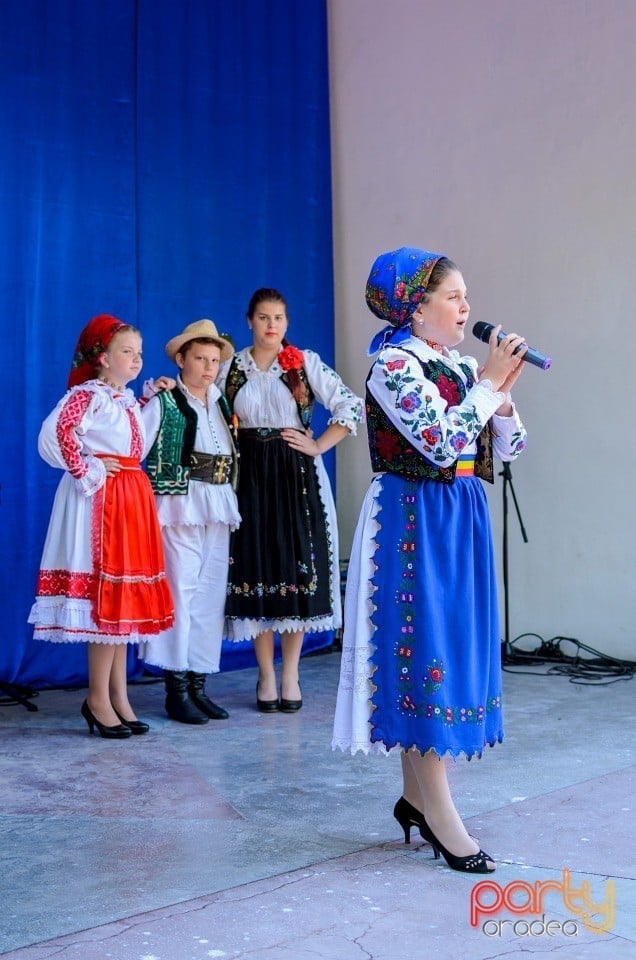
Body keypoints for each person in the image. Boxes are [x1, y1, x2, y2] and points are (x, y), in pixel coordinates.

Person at [332, 247, 528, 873]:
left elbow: (514, 447)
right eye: (453, 296)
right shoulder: (393, 365)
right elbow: (439, 442)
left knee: (451, 647)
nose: (467, 307)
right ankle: (443, 817)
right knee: (426, 655)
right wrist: (487, 387)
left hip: (458, 514)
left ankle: (417, 799)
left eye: (466, 295)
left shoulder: (460, 366)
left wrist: (501, 402)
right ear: (416, 308)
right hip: (412, 517)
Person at [28, 314, 175, 738]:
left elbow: (135, 441)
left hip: (129, 498)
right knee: (104, 602)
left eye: (139, 353)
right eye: (126, 352)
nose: (136, 359)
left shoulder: (124, 400)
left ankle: (117, 695)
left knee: (122, 603)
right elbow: (55, 435)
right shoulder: (87, 395)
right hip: (102, 502)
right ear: (102, 358)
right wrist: (89, 466)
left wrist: (149, 397)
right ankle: (97, 697)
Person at [218, 288, 363, 712]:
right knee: (257, 567)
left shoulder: (304, 364)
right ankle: (265, 675)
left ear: (287, 322)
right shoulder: (230, 367)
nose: (271, 326)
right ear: (250, 321)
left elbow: (349, 406)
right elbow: (205, 406)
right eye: (264, 317)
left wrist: (318, 444)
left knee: (296, 566)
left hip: (296, 475)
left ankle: (291, 673)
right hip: (248, 477)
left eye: (279, 318)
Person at [139, 320, 241, 724]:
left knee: (210, 593)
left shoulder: (220, 403)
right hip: (180, 502)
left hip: (217, 502)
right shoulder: (163, 402)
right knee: (180, 591)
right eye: (199, 358)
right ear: (181, 360)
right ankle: (175, 688)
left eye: (214, 360)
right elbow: (135, 445)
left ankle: (198, 684)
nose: (208, 367)